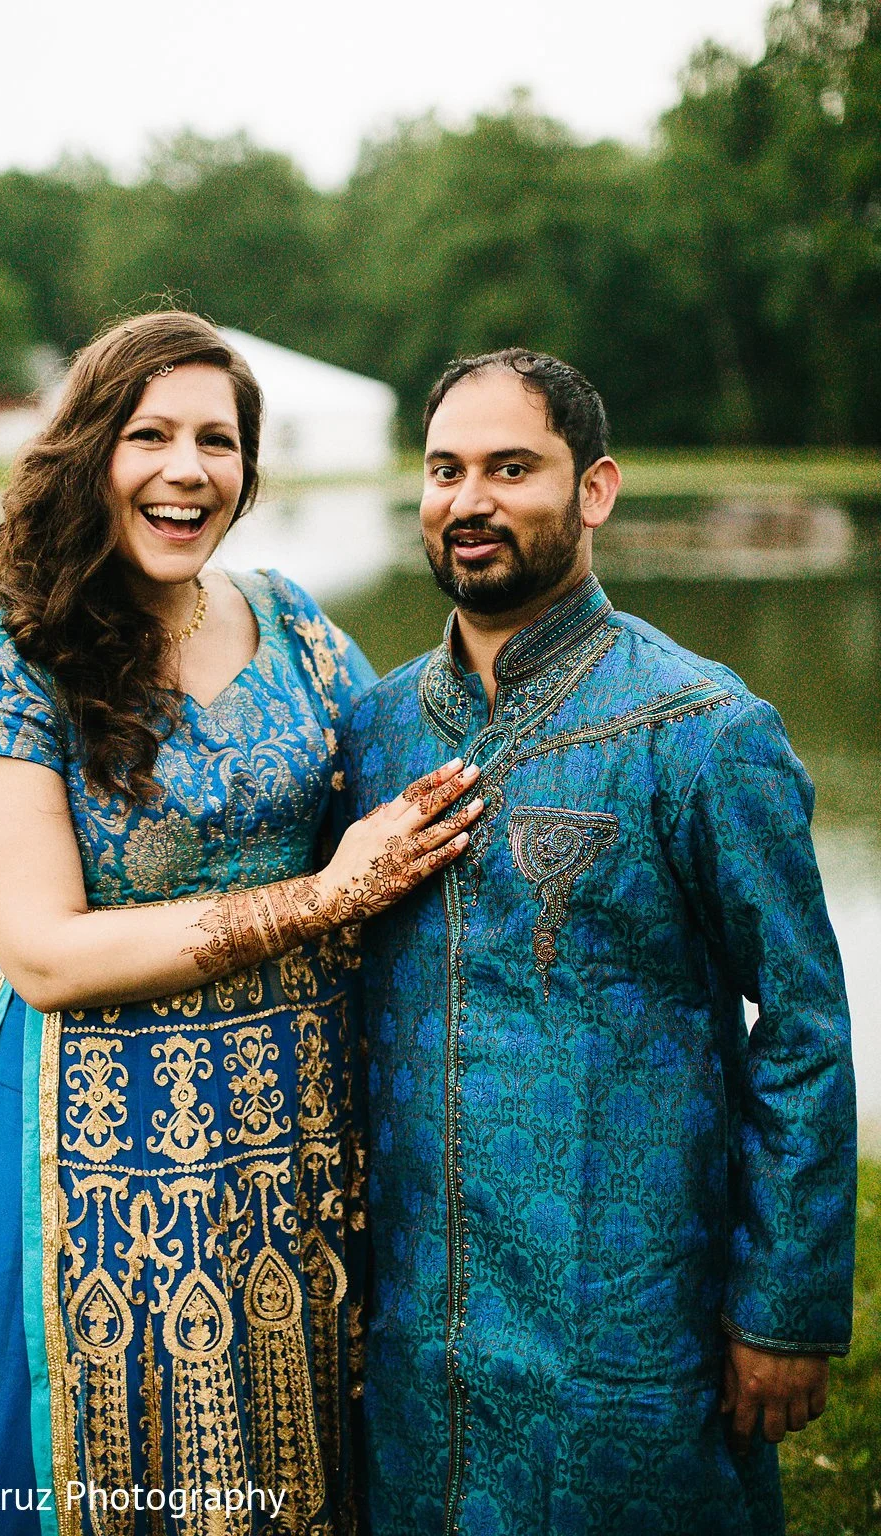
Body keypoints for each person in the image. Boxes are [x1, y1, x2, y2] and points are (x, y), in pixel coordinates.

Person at [0, 310, 483, 1535]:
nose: (188, 470)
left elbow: (403, 802)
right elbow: (46, 955)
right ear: (85, 455)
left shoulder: (291, 620)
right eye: (148, 435)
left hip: (300, 1130)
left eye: (216, 441)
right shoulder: (1, 664)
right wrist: (324, 898)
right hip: (99, 1140)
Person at [338, 348, 856, 1536]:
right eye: (444, 470)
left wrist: (781, 1306)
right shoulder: (370, 731)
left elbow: (803, 1029)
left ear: (595, 489)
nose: (469, 502)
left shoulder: (703, 729)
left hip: (632, 1311)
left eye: (512, 468)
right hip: (415, 1318)